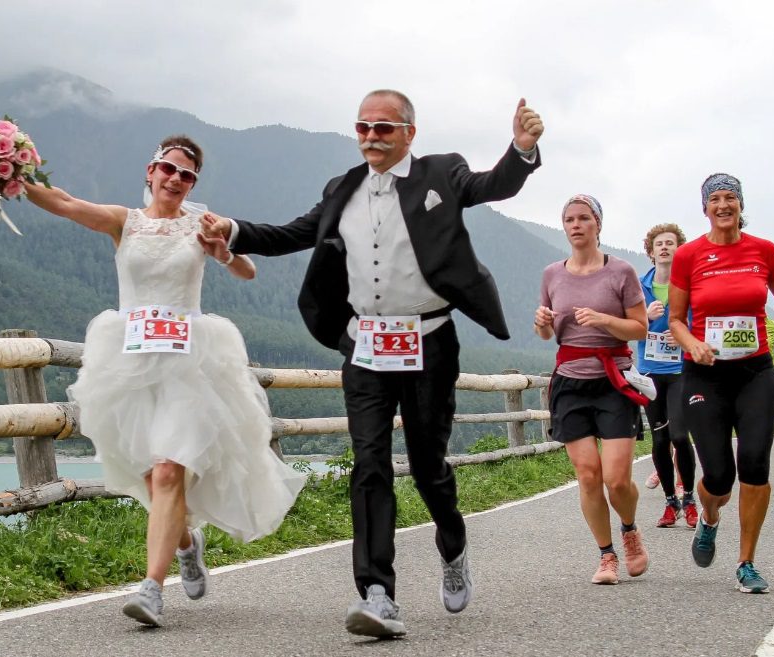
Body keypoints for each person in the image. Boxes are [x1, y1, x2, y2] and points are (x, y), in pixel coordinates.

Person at [200, 89, 543, 637]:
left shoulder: (441, 173)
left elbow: (490, 185)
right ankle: (378, 593)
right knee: (370, 463)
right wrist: (234, 231)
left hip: (430, 342)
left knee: (430, 467)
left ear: (409, 132)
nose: (371, 137)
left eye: (383, 128)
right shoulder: (341, 189)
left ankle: (452, 547)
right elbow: (292, 234)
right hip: (366, 347)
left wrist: (520, 150)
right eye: (363, 128)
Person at [25, 135, 306, 626]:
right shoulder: (122, 221)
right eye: (169, 169)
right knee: (148, 476)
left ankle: (151, 589)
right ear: (150, 172)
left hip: (189, 362)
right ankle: (186, 542)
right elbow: (65, 202)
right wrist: (10, 172)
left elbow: (248, 270)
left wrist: (222, 251)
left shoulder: (200, 223)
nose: (177, 179)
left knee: (170, 469)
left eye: (187, 175)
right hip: (128, 360)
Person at [668, 173, 774, 594]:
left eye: (731, 197)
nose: (724, 205)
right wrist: (693, 343)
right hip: (705, 375)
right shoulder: (689, 255)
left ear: (740, 205)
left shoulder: (763, 251)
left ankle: (746, 562)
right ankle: (709, 520)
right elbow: (675, 320)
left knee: (754, 463)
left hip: (755, 373)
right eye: (716, 198)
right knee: (718, 475)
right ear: (705, 207)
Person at [534, 194, 650, 585]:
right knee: (587, 475)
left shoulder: (620, 272)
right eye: (569, 219)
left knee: (616, 479)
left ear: (598, 224)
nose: (576, 225)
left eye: (584, 218)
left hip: (613, 379)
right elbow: (548, 333)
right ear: (564, 226)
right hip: (569, 380)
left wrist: (603, 319)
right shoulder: (553, 273)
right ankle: (607, 555)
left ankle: (630, 529)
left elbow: (639, 328)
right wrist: (542, 322)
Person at [636, 224, 698, 529]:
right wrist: (644, 317)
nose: (664, 248)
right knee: (660, 440)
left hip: (680, 371)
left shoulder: (689, 285)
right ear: (650, 252)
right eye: (659, 244)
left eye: (670, 243)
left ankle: (689, 498)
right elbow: (625, 322)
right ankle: (670, 503)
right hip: (650, 372)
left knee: (678, 435)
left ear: (679, 249)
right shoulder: (638, 287)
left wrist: (682, 335)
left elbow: (701, 322)